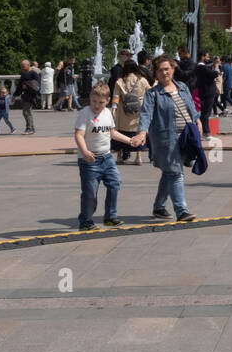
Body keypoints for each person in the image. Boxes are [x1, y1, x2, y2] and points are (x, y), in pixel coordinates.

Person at [132, 54, 202, 222]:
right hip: (165, 140)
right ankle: (182, 211)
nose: (164, 73)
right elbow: (146, 114)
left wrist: (197, 120)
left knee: (169, 172)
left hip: (185, 137)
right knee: (176, 173)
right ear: (155, 73)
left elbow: (190, 107)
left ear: (173, 69)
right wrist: (142, 133)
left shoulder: (182, 87)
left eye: (167, 69)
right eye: (160, 70)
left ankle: (159, 207)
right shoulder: (152, 94)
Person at [74, 82, 137, 230]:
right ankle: (86, 221)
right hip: (89, 160)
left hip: (107, 158)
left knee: (115, 183)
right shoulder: (84, 114)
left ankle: (110, 216)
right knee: (90, 193)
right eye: (94, 101)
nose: (96, 105)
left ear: (107, 100)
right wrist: (84, 152)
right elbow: (79, 135)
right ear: (90, 98)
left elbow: (112, 133)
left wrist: (129, 140)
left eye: (101, 102)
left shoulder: (107, 113)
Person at [112, 60, 150, 165]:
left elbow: (116, 96)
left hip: (123, 110)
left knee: (121, 131)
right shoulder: (142, 80)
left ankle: (119, 156)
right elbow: (150, 92)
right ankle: (138, 157)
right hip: (139, 109)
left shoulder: (120, 81)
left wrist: (114, 109)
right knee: (138, 131)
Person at [195, 52, 219, 124]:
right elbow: (214, 74)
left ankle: (204, 130)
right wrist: (217, 67)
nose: (208, 59)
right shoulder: (202, 67)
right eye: (207, 57)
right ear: (202, 57)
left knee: (204, 112)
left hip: (204, 91)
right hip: (207, 92)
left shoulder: (199, 67)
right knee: (206, 113)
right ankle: (206, 131)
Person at [18, 59, 40, 134]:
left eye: (23, 66)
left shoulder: (33, 74)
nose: (22, 68)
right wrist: (14, 95)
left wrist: (27, 86)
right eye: (21, 66)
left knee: (26, 112)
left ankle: (29, 128)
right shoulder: (23, 74)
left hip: (31, 96)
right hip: (24, 95)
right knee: (26, 112)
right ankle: (31, 128)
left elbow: (37, 84)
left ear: (28, 65)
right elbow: (19, 85)